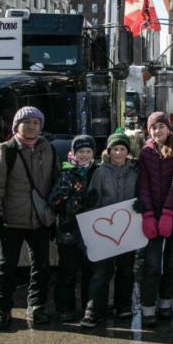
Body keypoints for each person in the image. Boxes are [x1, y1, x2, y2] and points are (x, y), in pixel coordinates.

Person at [0, 106, 59, 332]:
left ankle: (36, 306)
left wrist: (54, 213)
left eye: (36, 123)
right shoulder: (4, 150)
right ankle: (1, 310)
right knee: (6, 268)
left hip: (40, 220)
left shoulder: (49, 149)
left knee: (41, 267)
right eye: (27, 122)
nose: (32, 126)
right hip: (11, 220)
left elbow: (56, 184)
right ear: (17, 125)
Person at [79, 129, 140, 328]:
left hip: (128, 228)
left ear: (127, 152)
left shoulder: (134, 173)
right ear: (109, 151)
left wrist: (141, 205)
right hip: (104, 229)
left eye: (122, 149)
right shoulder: (100, 172)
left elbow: (140, 195)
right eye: (115, 149)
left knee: (126, 270)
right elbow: (92, 201)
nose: (118, 153)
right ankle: (95, 310)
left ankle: (123, 306)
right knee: (102, 271)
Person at [137, 111, 173, 328]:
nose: (158, 131)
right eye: (154, 127)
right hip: (151, 218)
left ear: (168, 128)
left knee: (172, 262)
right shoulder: (145, 153)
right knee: (152, 264)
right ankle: (147, 307)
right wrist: (148, 214)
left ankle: (166, 303)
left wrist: (168, 211)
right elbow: (143, 184)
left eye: (161, 127)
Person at [46, 134, 98, 323]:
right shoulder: (66, 173)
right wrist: (75, 201)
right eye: (80, 152)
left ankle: (89, 308)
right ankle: (65, 309)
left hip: (92, 232)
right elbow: (54, 202)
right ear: (73, 154)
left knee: (89, 271)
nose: (84, 155)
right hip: (68, 231)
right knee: (67, 271)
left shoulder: (97, 172)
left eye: (88, 151)